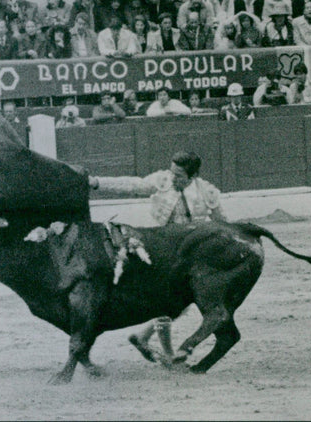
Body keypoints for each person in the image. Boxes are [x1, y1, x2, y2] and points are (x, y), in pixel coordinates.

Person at [88, 151, 226, 364]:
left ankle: (144, 338)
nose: (173, 178)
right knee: (169, 302)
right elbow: (132, 185)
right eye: (172, 172)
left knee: (175, 303)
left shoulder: (207, 192)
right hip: (160, 249)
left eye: (179, 175)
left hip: (190, 255)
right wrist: (97, 183)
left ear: (192, 176)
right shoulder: (162, 181)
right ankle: (165, 352)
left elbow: (222, 225)